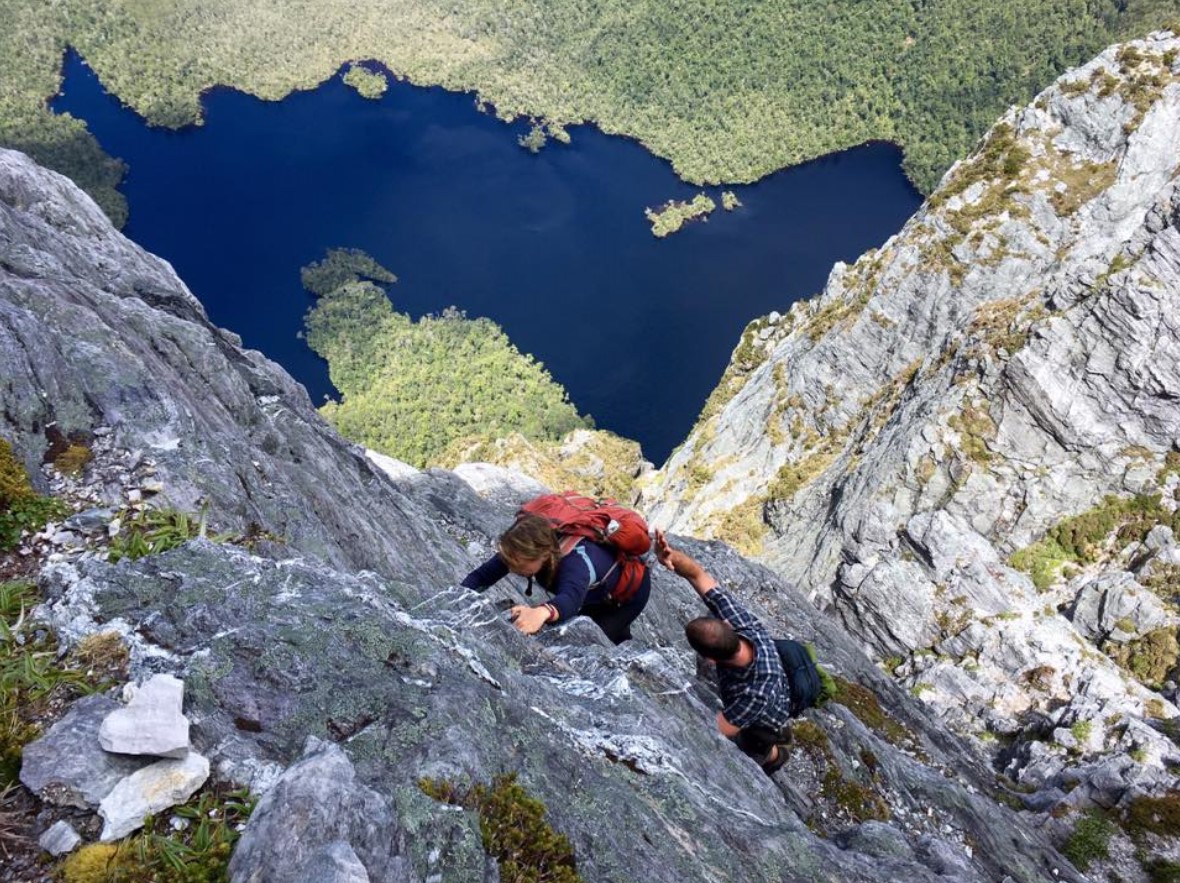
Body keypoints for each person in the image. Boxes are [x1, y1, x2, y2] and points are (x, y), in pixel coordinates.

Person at [654, 528, 792, 775]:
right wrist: (671, 557)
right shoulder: (744, 625)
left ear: (710, 659)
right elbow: (697, 574)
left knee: (753, 747)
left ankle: (774, 755)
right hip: (763, 696)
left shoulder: (756, 692)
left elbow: (717, 730)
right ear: (728, 625)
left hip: (765, 718)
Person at [461, 514, 651, 645]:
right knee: (583, 620)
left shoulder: (575, 563)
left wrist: (541, 613)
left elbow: (571, 599)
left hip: (628, 596)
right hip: (595, 588)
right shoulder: (521, 550)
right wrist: (459, 597)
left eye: (519, 565)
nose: (511, 569)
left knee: (594, 641)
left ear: (544, 555)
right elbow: (482, 576)